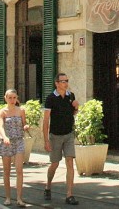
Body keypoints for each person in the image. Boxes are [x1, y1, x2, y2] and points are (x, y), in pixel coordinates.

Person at [42, 72, 79, 205]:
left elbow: (73, 113)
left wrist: (76, 107)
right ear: (57, 83)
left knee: (70, 162)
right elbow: (46, 121)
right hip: (55, 136)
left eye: (67, 80)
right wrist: (46, 140)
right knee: (55, 164)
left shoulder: (71, 95)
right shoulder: (50, 98)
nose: (65, 83)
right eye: (63, 81)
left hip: (69, 134)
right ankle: (48, 186)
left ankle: (69, 195)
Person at [0, 89, 28, 207]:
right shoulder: (2, 112)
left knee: (19, 170)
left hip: (19, 141)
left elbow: (24, 123)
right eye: (10, 98)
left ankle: (19, 198)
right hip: (7, 142)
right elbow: (0, 126)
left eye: (14, 98)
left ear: (17, 98)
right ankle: (8, 197)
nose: (12, 100)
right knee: (7, 171)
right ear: (5, 98)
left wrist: (26, 126)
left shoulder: (21, 110)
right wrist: (4, 137)